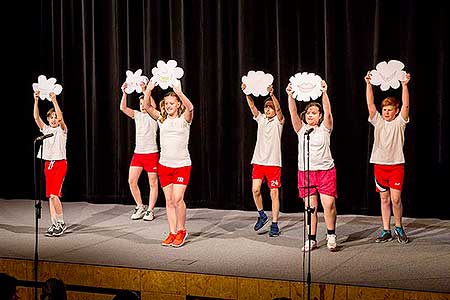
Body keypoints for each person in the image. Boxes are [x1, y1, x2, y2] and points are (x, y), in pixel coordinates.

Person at [286, 80, 338, 251]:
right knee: (310, 208)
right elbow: (292, 113)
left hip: (325, 172)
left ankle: (331, 234)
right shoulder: (301, 130)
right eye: (308, 112)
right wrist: (290, 96)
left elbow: (329, 113)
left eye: (314, 112)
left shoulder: (325, 128)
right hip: (306, 172)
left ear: (320, 116)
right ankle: (311, 239)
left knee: (329, 204)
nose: (310, 115)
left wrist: (324, 92)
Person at [143, 80, 194, 248]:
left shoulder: (184, 119)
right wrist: (148, 90)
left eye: (172, 103)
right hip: (165, 165)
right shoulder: (162, 119)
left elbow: (191, 108)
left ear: (178, 104)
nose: (169, 105)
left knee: (178, 198)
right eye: (167, 103)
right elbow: (148, 108)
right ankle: (172, 232)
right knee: (169, 200)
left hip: (182, 165)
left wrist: (179, 93)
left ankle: (182, 230)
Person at [365, 71, 411, 244]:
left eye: (389, 110)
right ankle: (386, 230)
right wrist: (368, 84)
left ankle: (398, 226)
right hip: (380, 166)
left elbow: (406, 105)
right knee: (384, 199)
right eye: (384, 109)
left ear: (396, 111)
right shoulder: (378, 121)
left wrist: (404, 86)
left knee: (396, 199)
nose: (386, 112)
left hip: (396, 166)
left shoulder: (400, 122)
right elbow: (370, 104)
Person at [241, 83, 284, 237]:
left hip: (273, 163)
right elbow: (252, 107)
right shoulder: (261, 119)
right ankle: (262, 215)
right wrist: (246, 92)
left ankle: (274, 224)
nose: (268, 109)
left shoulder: (279, 122)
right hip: (259, 161)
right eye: (266, 107)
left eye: (270, 107)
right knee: (255, 189)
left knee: (274, 194)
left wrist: (272, 95)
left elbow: (279, 111)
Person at [120, 82, 159, 221]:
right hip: (138, 154)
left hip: (152, 153)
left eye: (145, 103)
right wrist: (124, 92)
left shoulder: (154, 116)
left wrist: (145, 90)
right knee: (132, 181)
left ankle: (150, 210)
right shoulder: (137, 115)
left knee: (153, 183)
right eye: (141, 103)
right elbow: (123, 107)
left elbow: (152, 106)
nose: (143, 105)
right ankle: (140, 206)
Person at [34, 91, 68, 237]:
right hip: (48, 164)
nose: (54, 120)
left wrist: (54, 100)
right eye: (51, 117)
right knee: (50, 196)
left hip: (60, 164)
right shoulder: (46, 130)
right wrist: (36, 100)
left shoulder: (62, 131)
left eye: (55, 117)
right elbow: (36, 117)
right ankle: (54, 223)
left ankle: (61, 223)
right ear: (48, 119)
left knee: (55, 195)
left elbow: (61, 119)